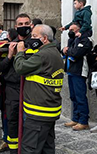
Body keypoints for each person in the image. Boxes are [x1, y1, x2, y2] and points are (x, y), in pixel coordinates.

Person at [12, 24, 64, 154]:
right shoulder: (54, 52)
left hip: (38, 113)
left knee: (30, 149)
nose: (31, 38)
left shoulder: (43, 55)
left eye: (35, 36)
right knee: (47, 147)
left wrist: (19, 52)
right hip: (49, 110)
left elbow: (20, 68)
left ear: (45, 38)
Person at [1, 13, 33, 153]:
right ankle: (14, 150)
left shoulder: (37, 43)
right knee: (12, 120)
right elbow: (0, 68)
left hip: (31, 88)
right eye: (20, 24)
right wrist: (9, 56)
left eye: (26, 24)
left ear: (31, 25)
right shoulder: (9, 44)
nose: (24, 27)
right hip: (12, 88)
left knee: (30, 122)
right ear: (15, 26)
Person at [62, 23, 93, 130]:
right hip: (71, 71)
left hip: (79, 72)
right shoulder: (73, 40)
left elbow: (76, 52)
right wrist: (66, 50)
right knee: (73, 97)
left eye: (73, 30)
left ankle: (83, 121)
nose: (70, 32)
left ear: (79, 30)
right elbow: (66, 50)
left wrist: (67, 50)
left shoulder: (85, 40)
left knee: (80, 97)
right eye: (69, 29)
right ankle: (75, 118)